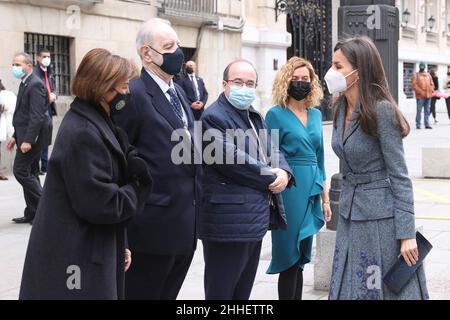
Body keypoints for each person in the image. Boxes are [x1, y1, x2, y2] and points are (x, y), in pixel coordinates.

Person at [19, 48, 152, 300]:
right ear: (103, 88)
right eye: (122, 87)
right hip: (75, 256)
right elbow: (102, 204)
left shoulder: (97, 119)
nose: (126, 93)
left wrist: (119, 242)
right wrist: (139, 186)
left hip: (87, 247)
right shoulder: (83, 132)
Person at [326, 36, 428, 300]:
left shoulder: (381, 111)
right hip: (349, 215)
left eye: (339, 66)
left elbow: (400, 176)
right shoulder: (339, 107)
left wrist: (406, 234)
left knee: (375, 289)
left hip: (380, 220)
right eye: (332, 64)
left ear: (359, 71)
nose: (332, 72)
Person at [113, 18, 201, 300]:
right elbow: (118, 165)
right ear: (146, 53)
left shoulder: (178, 90)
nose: (178, 51)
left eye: (177, 44)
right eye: (168, 46)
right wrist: (122, 236)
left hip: (183, 228)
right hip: (149, 231)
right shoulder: (133, 93)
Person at [200, 59, 294, 300]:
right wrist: (270, 174)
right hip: (227, 221)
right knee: (222, 290)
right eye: (238, 82)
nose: (245, 88)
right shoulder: (213, 117)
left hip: (252, 219)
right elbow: (232, 160)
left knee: (241, 291)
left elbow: (272, 149)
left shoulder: (253, 115)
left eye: (250, 83)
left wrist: (284, 171)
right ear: (224, 84)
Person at [265, 57, 332, 300]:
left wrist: (325, 199)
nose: (301, 83)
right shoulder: (275, 114)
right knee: (289, 255)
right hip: (289, 188)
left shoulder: (315, 115)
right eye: (295, 79)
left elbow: (320, 158)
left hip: (312, 187)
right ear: (286, 81)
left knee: (302, 256)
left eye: (306, 79)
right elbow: (269, 154)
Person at [7, 52, 50, 224]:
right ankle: (33, 212)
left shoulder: (35, 84)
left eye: (18, 64)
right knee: (31, 172)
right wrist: (15, 137)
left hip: (33, 139)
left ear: (29, 66)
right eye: (13, 64)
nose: (15, 68)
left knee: (20, 171)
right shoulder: (25, 83)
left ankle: (46, 209)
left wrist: (27, 141)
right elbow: (22, 115)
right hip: (24, 136)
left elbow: (37, 116)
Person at [33, 48, 58, 174]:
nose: (47, 59)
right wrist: (47, 97)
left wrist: (54, 94)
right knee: (38, 136)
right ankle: (36, 166)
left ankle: (45, 165)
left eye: (48, 56)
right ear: (38, 58)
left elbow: (54, 88)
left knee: (46, 136)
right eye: (44, 56)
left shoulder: (50, 71)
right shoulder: (35, 73)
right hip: (39, 108)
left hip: (49, 107)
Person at [411, 61, 434, 129]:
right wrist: (421, 92)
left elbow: (432, 84)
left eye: (423, 67)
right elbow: (414, 86)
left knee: (427, 110)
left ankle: (427, 124)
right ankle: (418, 124)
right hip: (420, 96)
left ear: (425, 67)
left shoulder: (428, 75)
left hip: (428, 96)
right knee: (419, 110)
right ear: (419, 67)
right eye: (421, 67)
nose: (422, 68)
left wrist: (431, 90)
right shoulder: (416, 75)